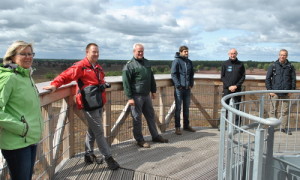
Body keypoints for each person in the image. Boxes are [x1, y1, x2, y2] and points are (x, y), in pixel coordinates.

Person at [43, 43, 120, 170]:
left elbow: (100, 87)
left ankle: (88, 155)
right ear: (87, 52)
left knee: (92, 130)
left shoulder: (98, 68)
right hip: (89, 104)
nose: (96, 54)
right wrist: (55, 85)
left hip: (98, 103)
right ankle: (109, 158)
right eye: (93, 52)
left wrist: (103, 103)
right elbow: (66, 75)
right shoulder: (81, 66)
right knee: (99, 132)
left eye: (97, 52)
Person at [0, 41, 44, 180]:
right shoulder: (9, 77)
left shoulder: (26, 76)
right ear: (12, 57)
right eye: (23, 54)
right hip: (16, 141)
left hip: (29, 138)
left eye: (30, 54)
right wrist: (21, 128)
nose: (28, 57)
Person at [122, 43, 168, 148]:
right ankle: (140, 140)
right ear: (134, 52)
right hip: (136, 96)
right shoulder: (129, 65)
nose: (141, 53)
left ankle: (155, 136)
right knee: (137, 118)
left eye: (142, 51)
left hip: (146, 95)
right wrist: (129, 97)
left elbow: (151, 77)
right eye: (139, 51)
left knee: (151, 116)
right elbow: (126, 83)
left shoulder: (147, 62)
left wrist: (153, 90)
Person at [265, 49, 296, 135]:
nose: (282, 56)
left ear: (287, 56)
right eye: (281, 55)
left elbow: (293, 79)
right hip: (275, 92)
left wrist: (292, 90)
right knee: (273, 111)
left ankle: (283, 128)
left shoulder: (290, 66)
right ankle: (272, 128)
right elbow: (268, 79)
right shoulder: (273, 66)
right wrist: (270, 90)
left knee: (285, 111)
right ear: (279, 55)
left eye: (284, 55)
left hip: (286, 92)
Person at [171, 46, 195, 135]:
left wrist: (191, 84)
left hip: (187, 89)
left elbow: (191, 74)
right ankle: (177, 127)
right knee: (178, 108)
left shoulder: (189, 62)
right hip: (179, 89)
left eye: (187, 51)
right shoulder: (176, 61)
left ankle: (186, 125)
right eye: (185, 51)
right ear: (180, 52)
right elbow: (173, 74)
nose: (187, 53)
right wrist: (178, 85)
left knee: (186, 108)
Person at [221, 48, 245, 125]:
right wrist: (229, 86)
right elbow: (222, 76)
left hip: (237, 89)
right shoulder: (225, 64)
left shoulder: (241, 64)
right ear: (228, 54)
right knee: (225, 107)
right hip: (227, 89)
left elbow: (243, 77)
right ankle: (222, 124)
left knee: (237, 107)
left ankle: (238, 125)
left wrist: (236, 86)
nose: (232, 55)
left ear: (236, 54)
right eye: (231, 53)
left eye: (234, 53)